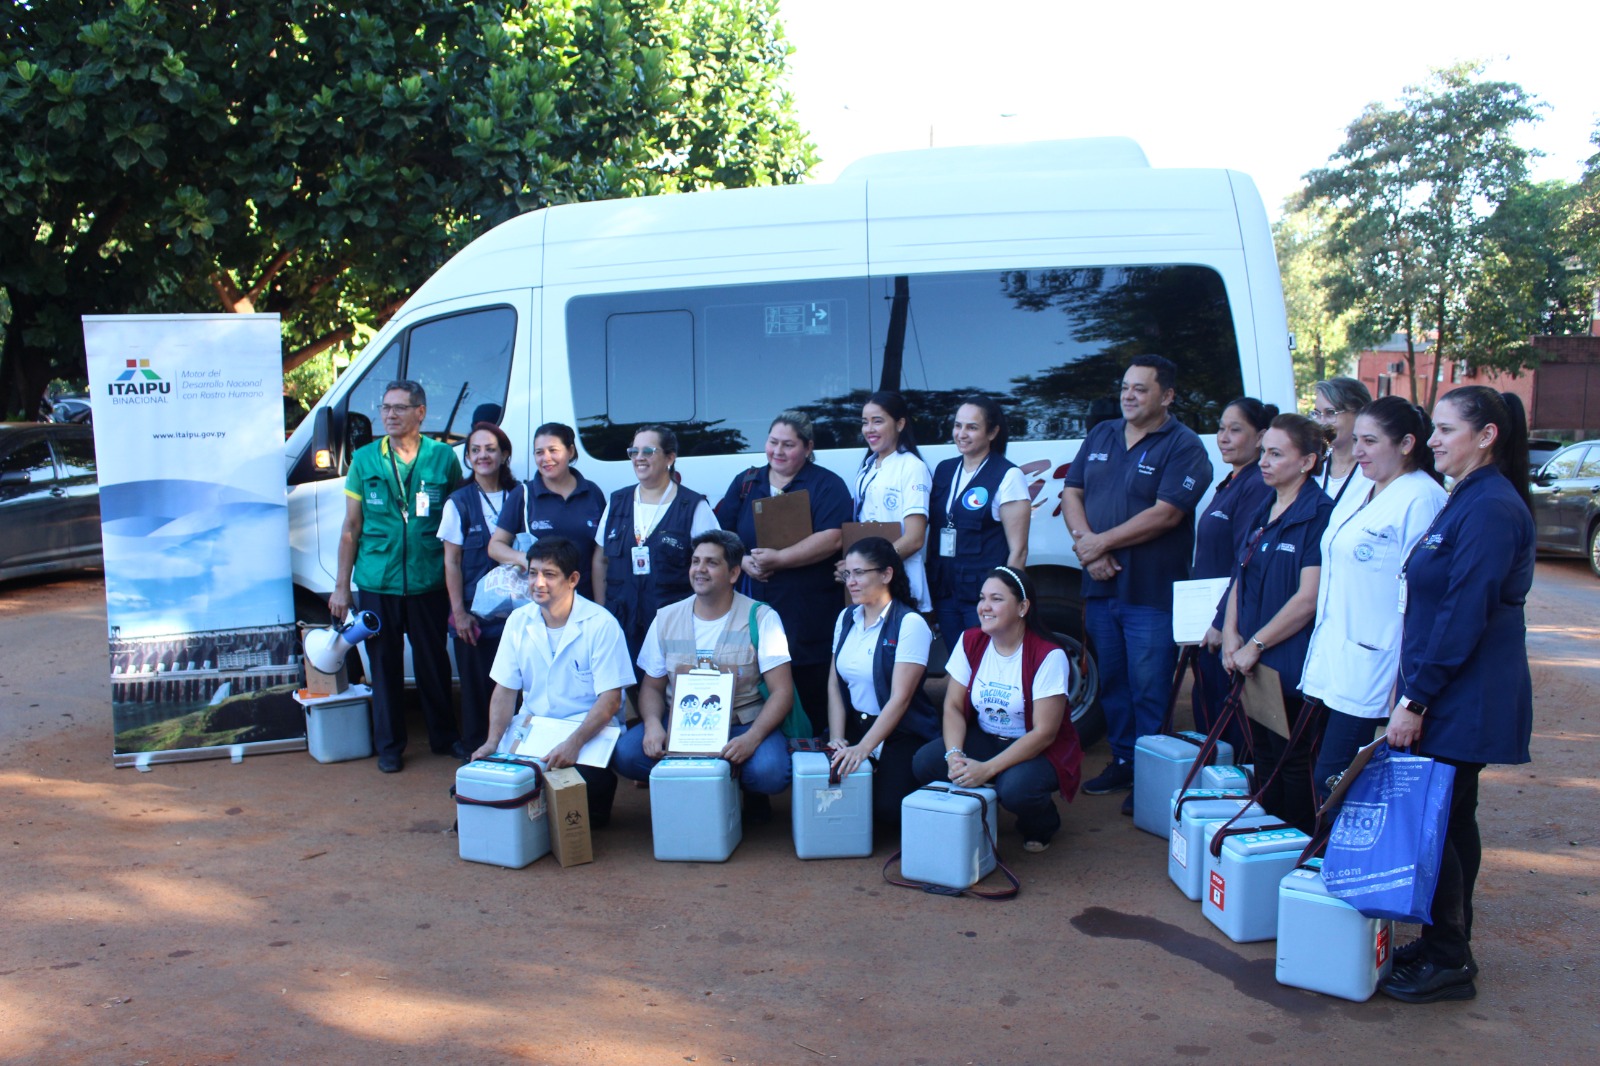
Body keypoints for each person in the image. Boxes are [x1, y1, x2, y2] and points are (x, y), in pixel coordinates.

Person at [1378, 387, 1535, 1005]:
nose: (1434, 440)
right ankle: (1447, 941)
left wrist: (1416, 700)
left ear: (1487, 435)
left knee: (1437, 825)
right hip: (1449, 691)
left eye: (1444, 429)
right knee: (1450, 821)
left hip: (1461, 696)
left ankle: (1449, 959)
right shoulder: (1466, 497)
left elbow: (1464, 610)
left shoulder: (1492, 507)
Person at [1061, 355, 1213, 805]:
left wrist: (1099, 544)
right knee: (1114, 685)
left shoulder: (1184, 446)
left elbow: (1166, 514)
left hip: (1149, 591)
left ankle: (1152, 777)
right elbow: (1072, 491)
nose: (1128, 395)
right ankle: (1124, 763)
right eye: (1125, 387)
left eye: (1140, 389)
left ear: (1166, 396)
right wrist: (1089, 547)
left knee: (1150, 688)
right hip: (1101, 585)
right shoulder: (1102, 432)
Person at [1302, 397, 1446, 800]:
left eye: (1370, 440)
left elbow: (1422, 597)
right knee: (1322, 772)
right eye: (1357, 439)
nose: (1358, 449)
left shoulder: (1422, 499)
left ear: (1405, 444)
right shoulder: (1363, 486)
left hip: (1375, 666)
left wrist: (1412, 695)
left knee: (1335, 782)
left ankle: (1337, 861)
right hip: (1336, 657)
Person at [329, 380, 463, 773]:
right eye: (385, 408)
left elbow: (455, 520)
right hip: (378, 581)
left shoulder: (443, 458)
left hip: (428, 580)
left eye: (399, 408)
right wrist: (342, 586)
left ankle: (443, 737)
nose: (389, 415)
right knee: (383, 667)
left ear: (420, 413)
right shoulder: (365, 459)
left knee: (433, 663)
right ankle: (389, 746)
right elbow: (350, 529)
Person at [614, 530, 794, 802]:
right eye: (695, 561)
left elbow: (782, 691)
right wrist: (652, 724)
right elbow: (652, 686)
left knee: (770, 772)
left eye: (711, 562)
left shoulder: (762, 617)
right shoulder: (666, 617)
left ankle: (741, 789)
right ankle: (709, 784)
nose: (700, 569)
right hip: (681, 724)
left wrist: (753, 738)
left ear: (734, 574)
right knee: (626, 754)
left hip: (741, 723)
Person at [911, 566, 1081, 852]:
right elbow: (952, 706)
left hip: (1036, 747)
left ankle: (1042, 821)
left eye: (996, 599)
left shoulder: (1049, 654)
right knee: (926, 762)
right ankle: (983, 807)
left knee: (1016, 790)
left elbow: (1044, 733)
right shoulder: (971, 640)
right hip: (989, 736)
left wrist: (987, 768)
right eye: (982, 598)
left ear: (1023, 607)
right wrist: (954, 756)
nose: (984, 607)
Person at [1220, 414, 1334, 834]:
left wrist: (1257, 645)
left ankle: (1293, 846)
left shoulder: (1320, 515)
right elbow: (1240, 577)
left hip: (1286, 663)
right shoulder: (1263, 506)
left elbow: (1308, 599)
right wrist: (1232, 634)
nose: (1263, 461)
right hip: (1252, 661)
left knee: (1293, 762)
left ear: (1307, 462)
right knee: (1263, 757)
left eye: (1275, 453)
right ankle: (1264, 845)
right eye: (1264, 451)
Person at [474, 537, 635, 827]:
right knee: (490, 783)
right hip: (533, 728)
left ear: (573, 579)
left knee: (579, 794)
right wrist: (492, 742)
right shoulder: (518, 621)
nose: (538, 583)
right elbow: (505, 690)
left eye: (549, 574)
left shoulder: (601, 624)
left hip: (587, 730)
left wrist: (574, 743)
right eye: (533, 573)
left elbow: (610, 700)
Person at [714, 410, 853, 736]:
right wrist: (743, 560)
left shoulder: (826, 484)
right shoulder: (747, 482)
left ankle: (813, 762)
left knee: (810, 686)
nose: (778, 451)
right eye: (773, 442)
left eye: (788, 445)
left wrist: (780, 559)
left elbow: (832, 537)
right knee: (757, 681)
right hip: (755, 606)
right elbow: (723, 533)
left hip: (808, 610)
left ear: (807, 447)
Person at [827, 537, 941, 824]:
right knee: (840, 802)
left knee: (884, 812)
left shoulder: (910, 623)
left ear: (886, 574)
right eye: (847, 574)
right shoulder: (845, 617)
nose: (851, 581)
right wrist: (837, 739)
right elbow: (834, 685)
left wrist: (863, 749)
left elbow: (900, 699)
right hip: (857, 726)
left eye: (860, 573)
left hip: (900, 732)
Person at [596, 425, 719, 666]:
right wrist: (602, 613)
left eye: (648, 451)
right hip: (621, 622)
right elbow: (600, 559)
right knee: (624, 693)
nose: (639, 458)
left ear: (670, 458)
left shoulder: (694, 506)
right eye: (634, 451)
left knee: (666, 693)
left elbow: (715, 564)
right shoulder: (617, 501)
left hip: (673, 626)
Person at [1194, 397, 1277, 741]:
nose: (1224, 437)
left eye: (1235, 429)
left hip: (1228, 627)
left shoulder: (1256, 483)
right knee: (1208, 713)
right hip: (1209, 621)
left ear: (1260, 438)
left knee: (1229, 726)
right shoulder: (1233, 479)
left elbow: (1244, 561)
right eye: (1221, 428)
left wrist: (1219, 623)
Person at [439, 422, 518, 758]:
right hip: (474, 616)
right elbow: (452, 562)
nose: (483, 455)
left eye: (490, 448)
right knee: (475, 690)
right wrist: (459, 614)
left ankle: (517, 751)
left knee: (516, 687)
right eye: (476, 450)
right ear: (468, 458)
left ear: (504, 454)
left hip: (518, 614)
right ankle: (478, 756)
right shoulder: (458, 502)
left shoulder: (522, 495)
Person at [927, 396, 1031, 647]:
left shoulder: (1008, 475)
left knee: (985, 661)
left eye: (972, 427)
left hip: (983, 597)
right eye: (958, 426)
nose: (962, 434)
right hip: (946, 590)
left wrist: (1004, 600)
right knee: (958, 663)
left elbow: (1018, 550)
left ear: (993, 432)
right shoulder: (945, 469)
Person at [488, 422, 606, 602]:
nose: (546, 458)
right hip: (537, 604)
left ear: (571, 451)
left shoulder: (592, 492)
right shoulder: (523, 495)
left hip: (584, 602)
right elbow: (495, 546)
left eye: (553, 450)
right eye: (539, 452)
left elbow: (601, 557)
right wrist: (524, 559)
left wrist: (600, 607)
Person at [848, 391, 933, 612]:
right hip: (870, 588)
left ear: (900, 424)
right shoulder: (866, 468)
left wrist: (869, 567)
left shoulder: (912, 467)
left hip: (902, 587)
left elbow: (914, 539)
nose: (869, 429)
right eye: (865, 422)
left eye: (878, 421)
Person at [1310, 377, 1372, 506]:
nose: (1321, 422)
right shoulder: (1311, 463)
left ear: (1360, 413)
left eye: (1331, 413)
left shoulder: (1373, 470)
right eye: (1317, 413)